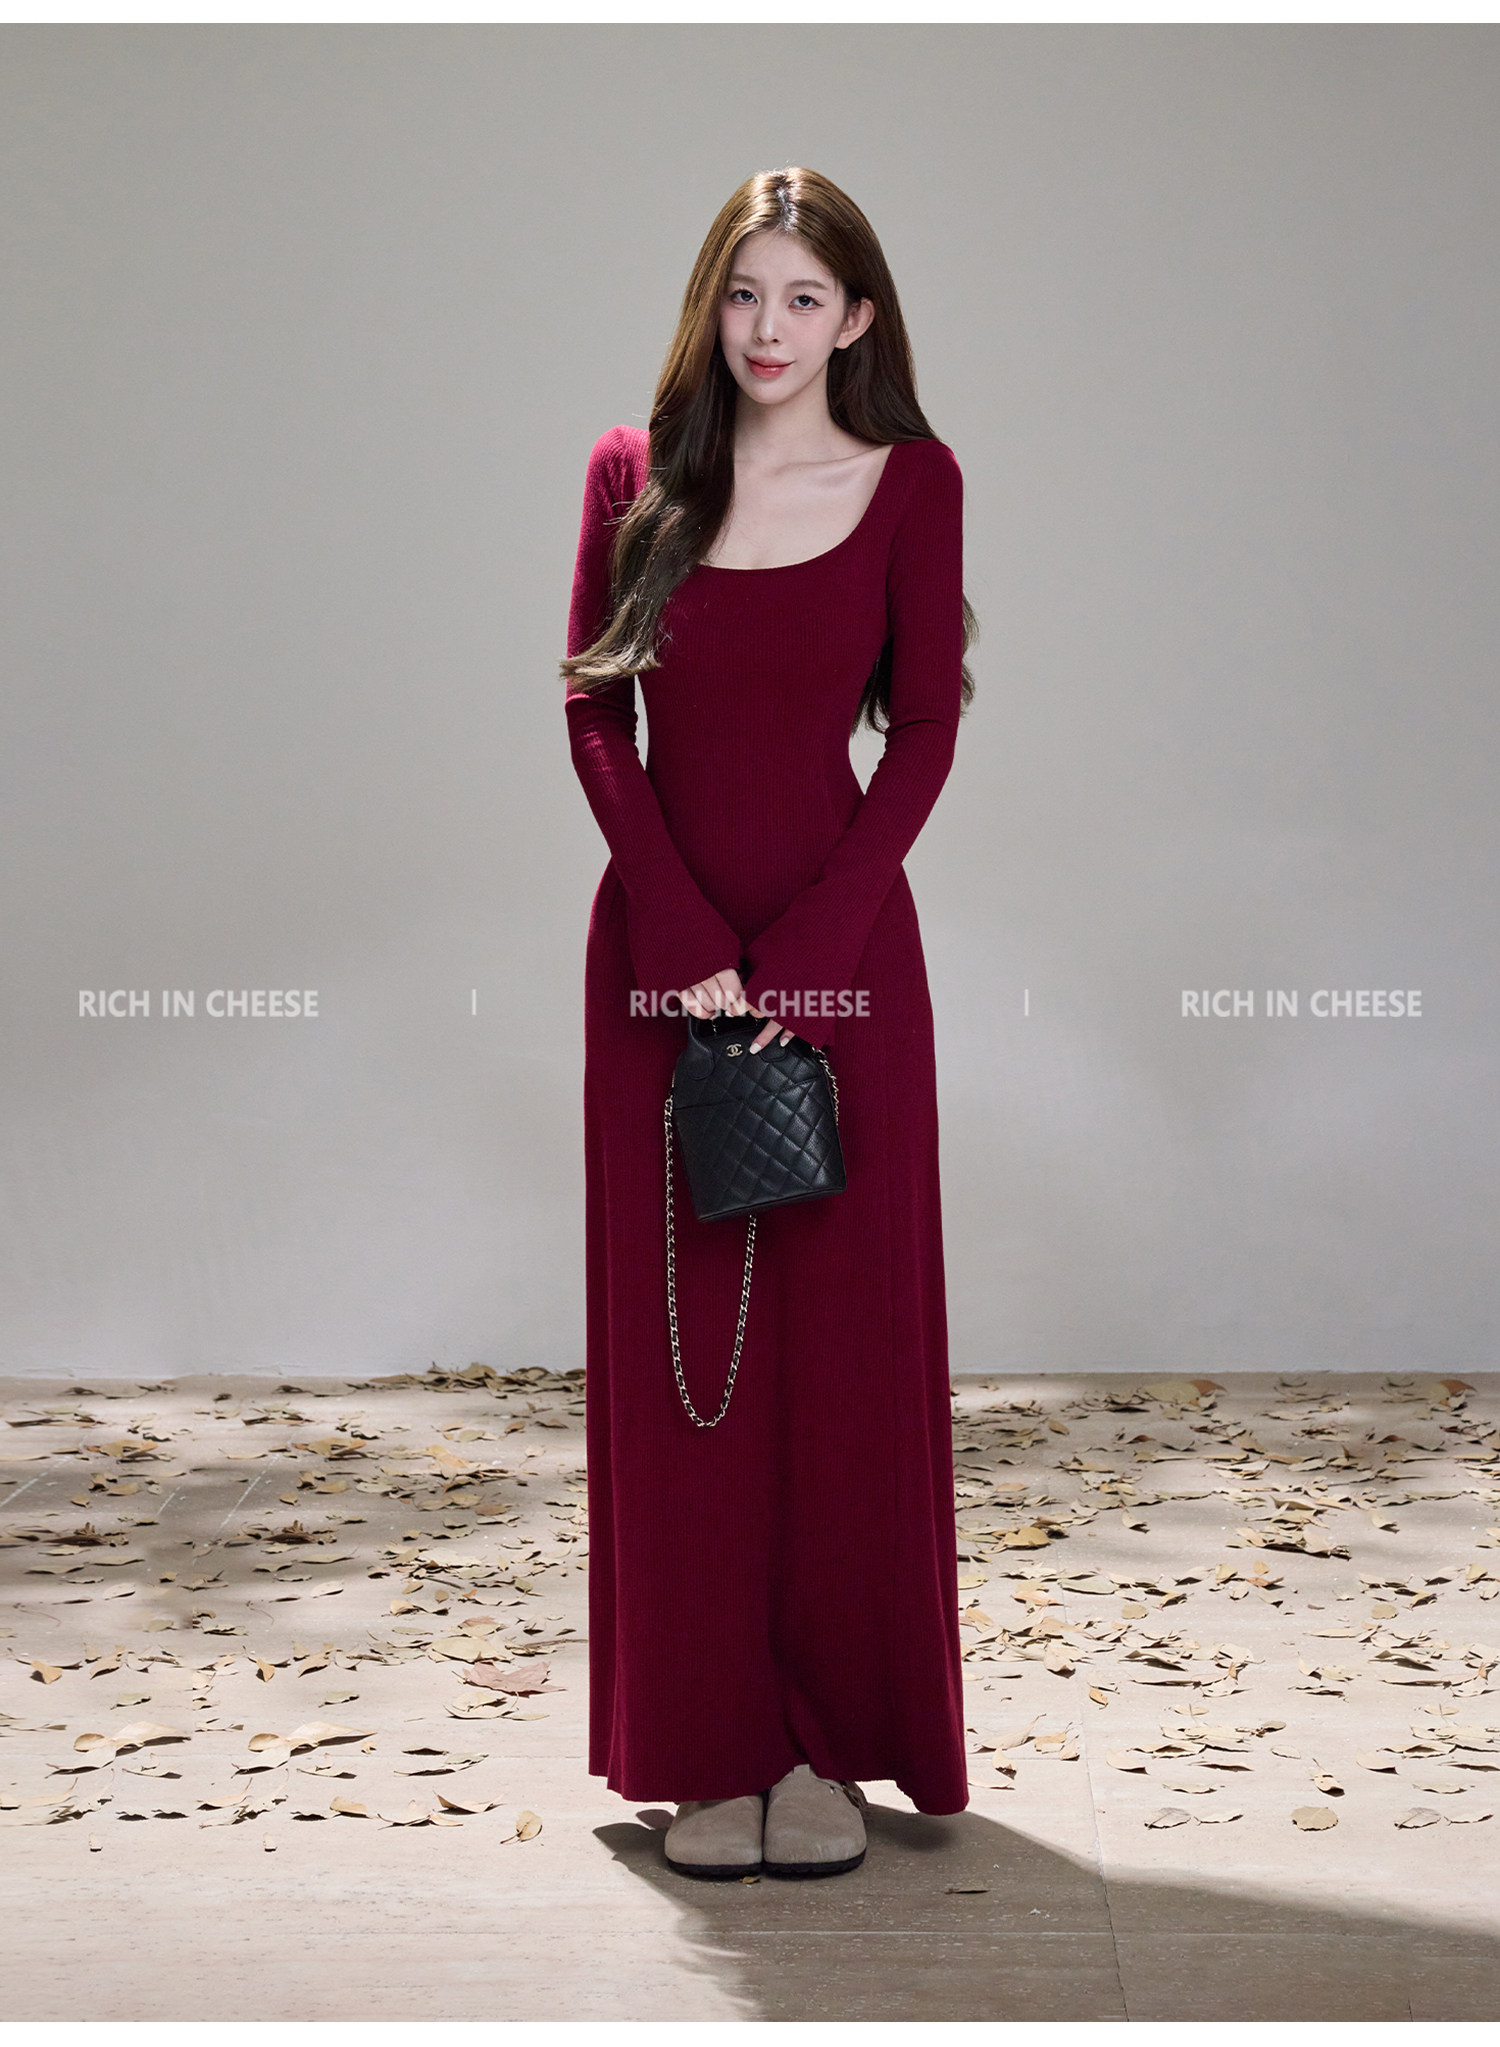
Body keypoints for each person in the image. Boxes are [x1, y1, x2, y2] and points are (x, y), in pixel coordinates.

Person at [560, 165, 977, 1881]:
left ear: (858, 318)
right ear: (708, 304)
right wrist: (679, 929)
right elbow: (596, 717)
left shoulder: (914, 482)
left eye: (805, 298)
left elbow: (927, 732)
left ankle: (823, 1744)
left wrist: (806, 950)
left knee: (839, 1364)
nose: (769, 328)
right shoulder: (633, 473)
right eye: (745, 293)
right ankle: (706, 1746)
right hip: (660, 967)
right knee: (689, 1360)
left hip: (844, 967)